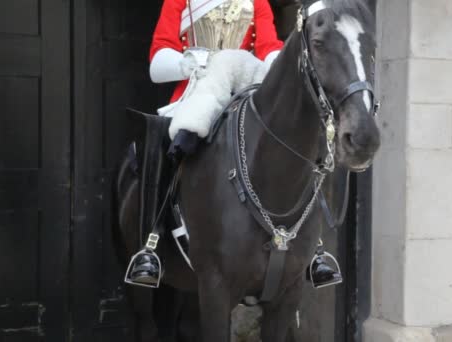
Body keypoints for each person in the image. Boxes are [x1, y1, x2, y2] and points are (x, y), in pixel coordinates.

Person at [125, 0, 342, 290]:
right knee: (162, 143)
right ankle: (150, 247)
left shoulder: (257, 3)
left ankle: (314, 249)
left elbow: (269, 48)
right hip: (196, 92)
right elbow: (158, 58)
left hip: (245, 93)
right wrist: (185, 63)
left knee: (295, 149)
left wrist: (275, 65)